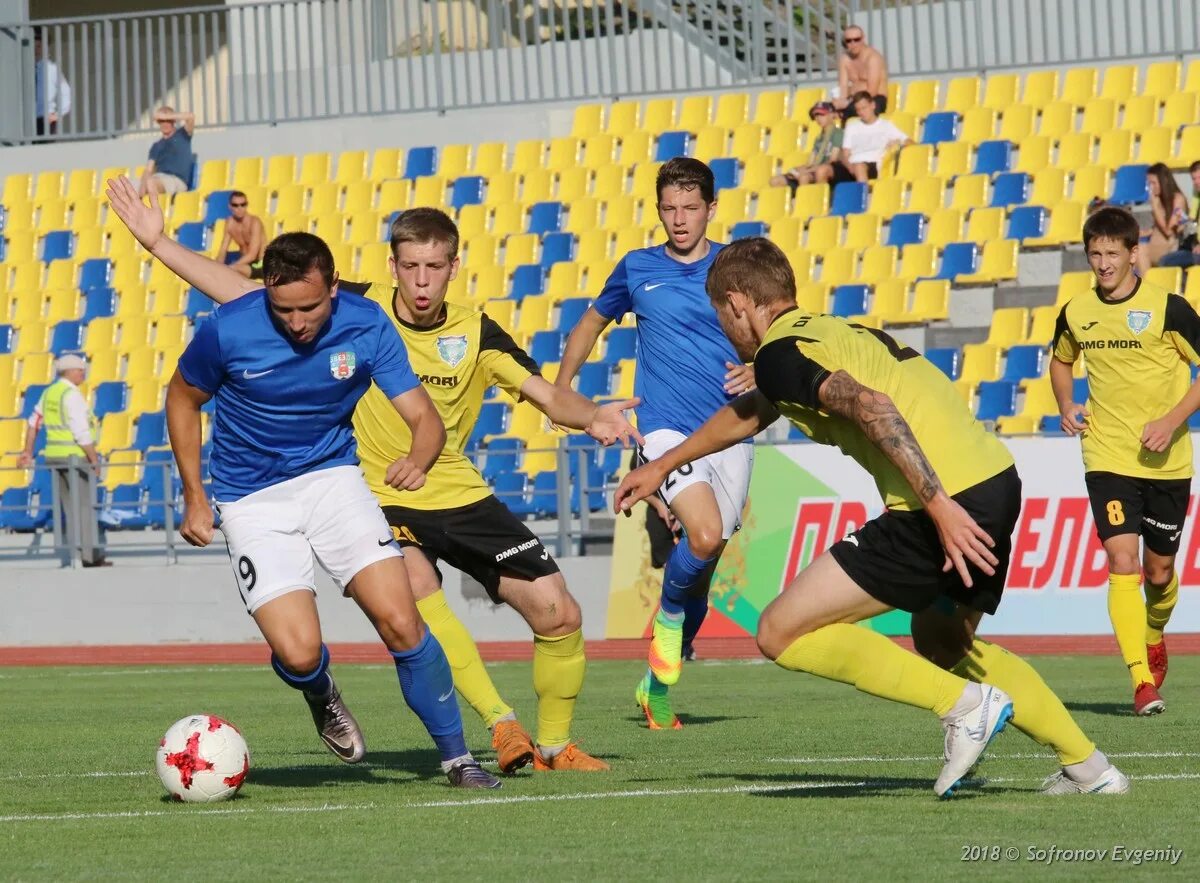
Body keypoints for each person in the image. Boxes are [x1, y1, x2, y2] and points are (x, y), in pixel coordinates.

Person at [616, 237, 1130, 798]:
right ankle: (1090, 767)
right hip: (994, 481)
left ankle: (965, 708)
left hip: (942, 502)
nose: (725, 330)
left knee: (779, 631)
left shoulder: (777, 356)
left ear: (738, 303)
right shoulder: (828, 332)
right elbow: (754, 411)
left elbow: (872, 406)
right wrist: (664, 463)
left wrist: (937, 508)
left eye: (721, 316)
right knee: (943, 641)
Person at [175, 205, 637, 773]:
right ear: (393, 266)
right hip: (373, 488)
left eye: (435, 267)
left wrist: (593, 415)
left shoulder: (474, 332)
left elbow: (544, 395)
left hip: (453, 489)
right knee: (413, 592)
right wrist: (158, 244)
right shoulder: (351, 305)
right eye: (412, 266)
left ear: (453, 266)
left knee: (557, 609)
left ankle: (553, 746)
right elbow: (244, 291)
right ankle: (496, 726)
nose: (422, 280)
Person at [105, 175, 501, 789]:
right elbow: (181, 400)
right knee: (296, 653)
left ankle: (457, 757)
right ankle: (321, 692)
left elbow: (423, 417)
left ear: (333, 288)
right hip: (252, 500)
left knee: (401, 620)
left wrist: (420, 460)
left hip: (333, 481)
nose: (295, 322)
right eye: (282, 308)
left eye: (309, 308)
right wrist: (193, 494)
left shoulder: (367, 326)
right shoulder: (228, 329)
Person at [555, 157, 757, 730]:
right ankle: (666, 627)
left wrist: (761, 370)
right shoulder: (637, 267)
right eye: (669, 208)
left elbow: (777, 328)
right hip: (663, 428)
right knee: (705, 533)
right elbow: (591, 322)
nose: (679, 219)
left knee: (705, 564)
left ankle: (656, 685)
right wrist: (563, 389)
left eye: (690, 208)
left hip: (731, 428)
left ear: (711, 209)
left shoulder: (735, 265)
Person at [1051, 206, 1200, 716]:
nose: (1104, 264)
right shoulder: (1075, 311)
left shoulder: (1170, 308)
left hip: (1167, 462)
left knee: (1159, 574)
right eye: (1095, 254)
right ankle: (1141, 681)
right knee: (1123, 562)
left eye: (1113, 254)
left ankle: (1154, 632)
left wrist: (1171, 420)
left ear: (1134, 253)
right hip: (1107, 454)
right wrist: (1066, 403)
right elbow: (1061, 358)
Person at [17, 353, 106, 567]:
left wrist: (27, 451)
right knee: (84, 506)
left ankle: (74, 554)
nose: (83, 373)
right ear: (71, 372)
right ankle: (88, 556)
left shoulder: (49, 393)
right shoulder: (72, 395)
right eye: (80, 370)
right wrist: (94, 459)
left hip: (54, 457)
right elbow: (80, 431)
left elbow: (33, 424)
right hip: (75, 457)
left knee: (68, 506)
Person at [834, 92, 911, 183]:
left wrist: (898, 142)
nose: (861, 112)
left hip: (871, 164)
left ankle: (863, 195)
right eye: (858, 110)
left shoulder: (886, 125)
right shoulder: (851, 126)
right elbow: (845, 153)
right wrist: (850, 167)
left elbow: (910, 142)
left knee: (859, 167)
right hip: (851, 166)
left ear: (873, 105)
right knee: (823, 171)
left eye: (864, 108)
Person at [770, 102, 842, 192]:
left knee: (804, 177)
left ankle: (806, 203)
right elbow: (810, 162)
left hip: (829, 171)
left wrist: (806, 171)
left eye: (821, 114)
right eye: (815, 116)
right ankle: (790, 204)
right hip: (813, 170)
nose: (818, 118)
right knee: (775, 181)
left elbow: (832, 161)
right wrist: (796, 170)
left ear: (831, 115)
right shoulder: (819, 138)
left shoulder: (838, 133)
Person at [1138, 163, 1190, 273]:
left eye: (1153, 183)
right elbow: (1156, 228)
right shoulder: (1159, 199)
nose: (1151, 187)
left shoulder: (1177, 199)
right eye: (1149, 183)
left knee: (1140, 251)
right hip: (1155, 243)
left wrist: (1155, 207)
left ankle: (1147, 285)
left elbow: (1168, 231)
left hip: (1169, 247)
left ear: (1163, 181)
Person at [139, 107, 195, 199]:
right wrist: (142, 186)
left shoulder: (182, 135)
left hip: (176, 180)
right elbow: (148, 169)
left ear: (173, 121)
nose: (165, 124)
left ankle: (156, 211)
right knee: (123, 186)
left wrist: (166, 116)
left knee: (150, 183)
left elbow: (191, 117)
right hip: (158, 178)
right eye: (162, 121)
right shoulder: (156, 145)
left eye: (168, 120)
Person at [833, 25, 888, 119]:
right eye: (849, 41)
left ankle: (842, 115)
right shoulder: (845, 59)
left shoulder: (873, 58)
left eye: (856, 39)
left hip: (873, 100)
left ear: (863, 39)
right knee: (823, 110)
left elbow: (872, 91)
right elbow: (843, 86)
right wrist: (839, 102)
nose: (853, 43)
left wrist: (847, 104)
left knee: (854, 109)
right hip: (852, 100)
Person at [1158, 161, 1200, 269]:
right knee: (1164, 261)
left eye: (1199, 177)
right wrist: (1182, 224)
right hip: (1194, 247)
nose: (1196, 182)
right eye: (1194, 179)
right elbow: (1192, 222)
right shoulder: (1197, 196)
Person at [215, 191, 266, 279]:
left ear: (247, 205)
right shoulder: (230, 223)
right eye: (235, 205)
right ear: (230, 206)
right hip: (245, 264)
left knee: (232, 270)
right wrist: (216, 268)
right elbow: (223, 250)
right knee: (215, 270)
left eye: (243, 204)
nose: (240, 208)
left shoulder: (254, 222)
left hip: (260, 264)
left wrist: (231, 267)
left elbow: (252, 254)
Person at [32, 27, 71, 141]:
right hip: (27, 120)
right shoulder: (23, 69)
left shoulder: (53, 69)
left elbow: (66, 94)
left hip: (46, 119)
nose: (36, 50)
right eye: (33, 46)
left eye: (39, 46)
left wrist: (56, 115)